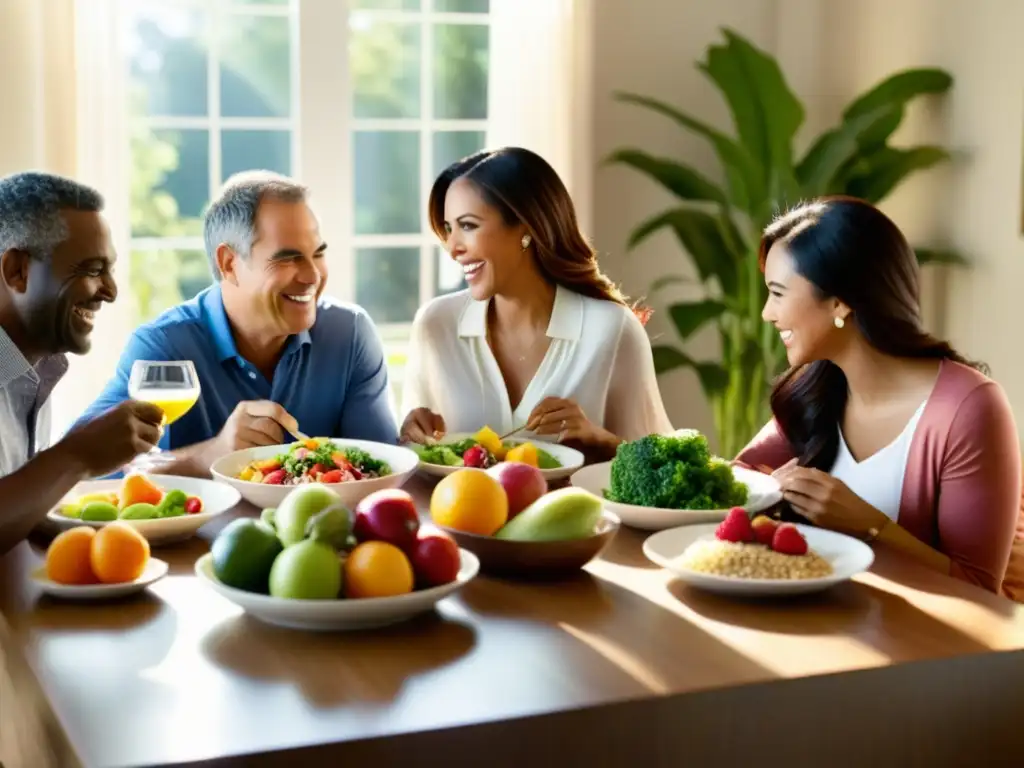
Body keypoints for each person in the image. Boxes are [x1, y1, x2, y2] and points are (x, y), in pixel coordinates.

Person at [734, 196, 1024, 600]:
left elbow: (979, 589)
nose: (767, 313)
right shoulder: (816, 386)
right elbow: (733, 480)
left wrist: (871, 527)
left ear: (839, 302)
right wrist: (767, 488)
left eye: (778, 293)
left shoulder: (969, 408)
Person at [77, 171, 398, 476]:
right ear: (229, 263)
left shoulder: (349, 333)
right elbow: (78, 468)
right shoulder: (164, 346)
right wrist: (210, 455)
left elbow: (384, 464)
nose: (313, 275)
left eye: (317, 254)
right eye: (288, 258)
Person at [399, 147, 672, 462]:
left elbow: (660, 470)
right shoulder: (435, 324)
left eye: (468, 226)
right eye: (448, 229)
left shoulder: (612, 329)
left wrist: (600, 440)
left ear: (526, 229)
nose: (452, 248)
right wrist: (411, 433)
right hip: (458, 511)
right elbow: (415, 459)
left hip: (581, 512)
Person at [0, 171, 164, 552]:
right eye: (92, 270)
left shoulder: (36, 365)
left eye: (109, 269)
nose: (110, 291)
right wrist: (77, 456)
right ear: (17, 271)